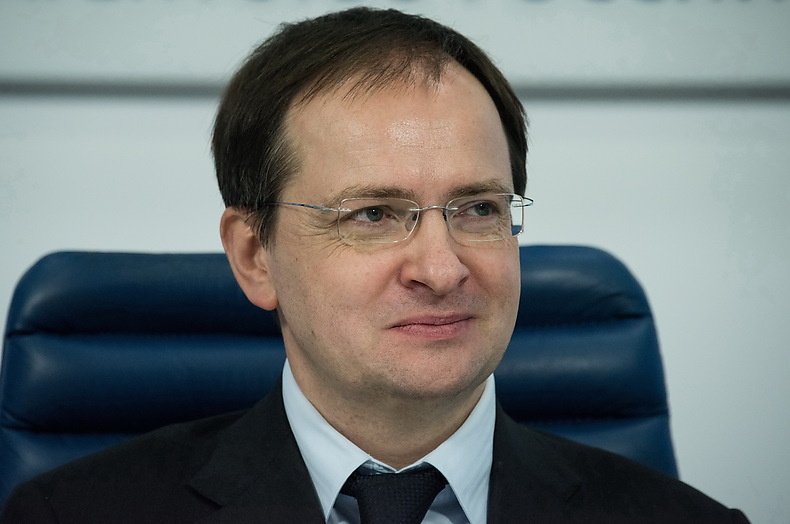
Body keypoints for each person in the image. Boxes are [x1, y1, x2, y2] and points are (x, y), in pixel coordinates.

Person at [1, 7, 749, 524]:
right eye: (373, 215)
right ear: (255, 256)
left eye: (477, 208)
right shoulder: (66, 516)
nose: (442, 268)